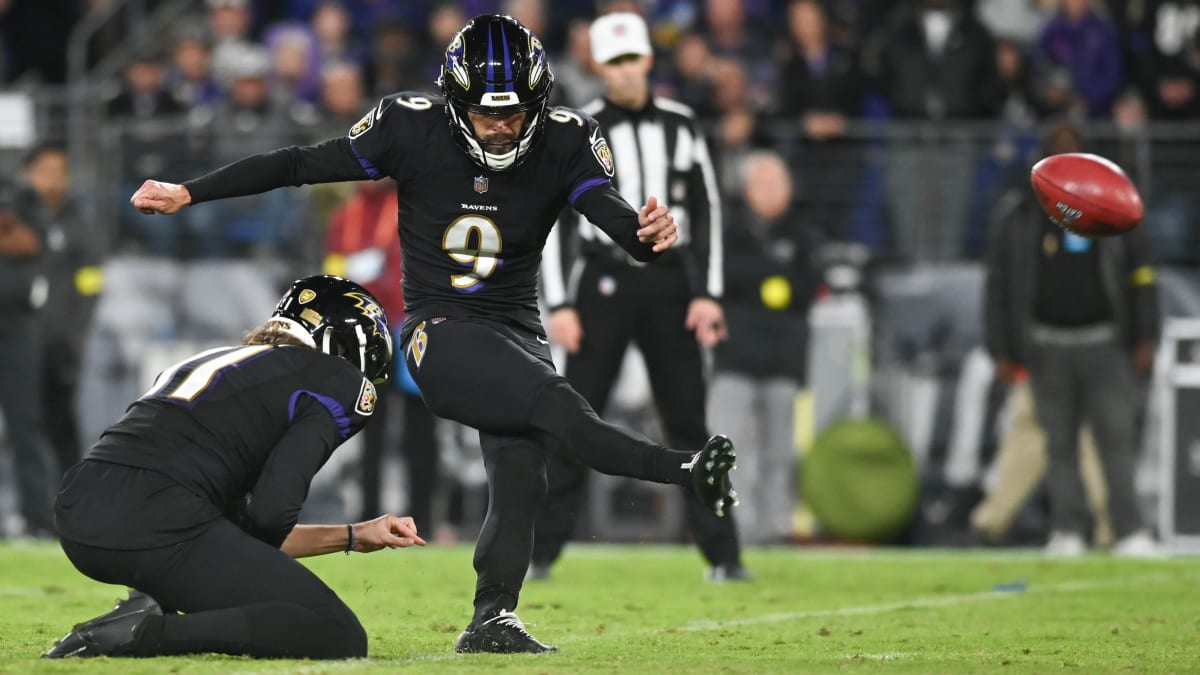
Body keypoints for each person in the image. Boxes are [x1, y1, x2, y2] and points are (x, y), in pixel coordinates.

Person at [129, 14, 738, 654]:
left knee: (521, 476)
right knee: (559, 410)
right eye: (486, 113)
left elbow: (609, 213)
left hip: (517, 330)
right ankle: (685, 468)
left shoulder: (567, 137)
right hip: (440, 331)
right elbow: (299, 163)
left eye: (516, 112)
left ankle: (492, 618)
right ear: (455, 101)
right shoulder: (410, 125)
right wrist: (189, 193)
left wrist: (646, 238)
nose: (502, 126)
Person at [44, 275, 426, 660]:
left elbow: (233, 536)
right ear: (344, 348)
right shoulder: (337, 380)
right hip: (157, 516)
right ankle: (141, 633)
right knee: (336, 632)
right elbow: (271, 515)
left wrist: (352, 535)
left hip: (81, 510)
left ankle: (145, 609)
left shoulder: (214, 365)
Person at [534, 11, 746, 582]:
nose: (627, 71)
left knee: (688, 422)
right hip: (602, 281)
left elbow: (707, 209)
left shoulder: (681, 123)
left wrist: (708, 294)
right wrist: (560, 304)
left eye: (634, 59)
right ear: (598, 66)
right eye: (616, 61)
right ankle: (540, 554)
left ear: (649, 59)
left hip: (671, 283)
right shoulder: (578, 128)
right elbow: (555, 220)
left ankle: (724, 556)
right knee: (572, 419)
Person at [983, 122, 1160, 557]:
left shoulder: (1114, 207)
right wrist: (1002, 349)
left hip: (1105, 341)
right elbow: (999, 285)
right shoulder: (1021, 213)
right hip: (1046, 343)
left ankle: (1130, 530)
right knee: (1057, 443)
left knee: (1115, 441)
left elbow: (1142, 274)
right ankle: (1067, 529)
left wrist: (1145, 334)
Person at [708, 151, 822, 547]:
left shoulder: (803, 234)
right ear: (747, 189)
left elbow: (808, 285)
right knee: (731, 446)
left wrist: (765, 283)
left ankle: (776, 526)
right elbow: (722, 277)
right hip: (734, 356)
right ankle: (734, 527)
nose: (775, 192)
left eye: (780, 183)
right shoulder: (728, 231)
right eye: (765, 184)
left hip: (783, 358)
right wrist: (770, 280)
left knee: (779, 450)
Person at [323, 179, 440, 530]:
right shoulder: (346, 214)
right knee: (368, 423)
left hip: (409, 327)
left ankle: (423, 517)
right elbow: (333, 267)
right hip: (367, 332)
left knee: (420, 426)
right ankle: (369, 514)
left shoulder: (412, 209)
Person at [14, 142, 103, 477]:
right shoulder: (13, 217)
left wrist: (77, 326)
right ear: (29, 174)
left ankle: (67, 493)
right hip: (16, 334)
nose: (52, 180)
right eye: (44, 171)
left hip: (59, 338)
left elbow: (91, 278)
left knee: (60, 419)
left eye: (59, 172)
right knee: (21, 420)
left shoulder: (78, 220)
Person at [0, 180, 57, 537]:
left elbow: (32, 242)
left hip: (16, 328)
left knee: (25, 425)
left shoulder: (17, 191)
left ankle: (37, 519)